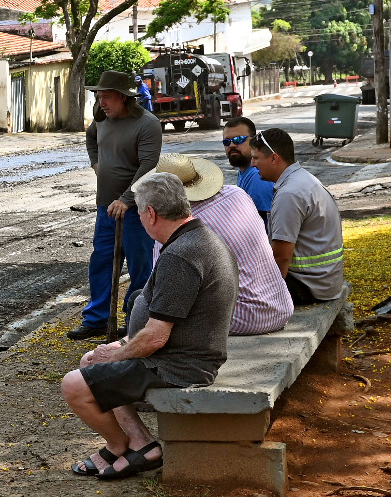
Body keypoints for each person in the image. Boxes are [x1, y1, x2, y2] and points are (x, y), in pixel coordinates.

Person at [63, 172, 237, 480]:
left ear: (152, 213)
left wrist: (118, 355)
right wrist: (122, 344)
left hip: (179, 365)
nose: (140, 219)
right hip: (178, 353)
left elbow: (156, 337)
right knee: (89, 361)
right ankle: (142, 444)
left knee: (74, 385)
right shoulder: (194, 238)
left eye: (140, 212)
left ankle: (118, 445)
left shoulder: (182, 255)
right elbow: (164, 316)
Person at [146, 154, 292, 335]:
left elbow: (160, 292)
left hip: (246, 317)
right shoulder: (236, 193)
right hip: (281, 305)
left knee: (142, 305)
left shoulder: (179, 225)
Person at [71, 70, 164, 340]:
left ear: (124, 98)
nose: (102, 103)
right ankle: (97, 319)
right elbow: (90, 139)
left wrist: (126, 200)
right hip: (105, 208)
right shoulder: (101, 120)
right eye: (99, 97)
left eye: (108, 97)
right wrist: (96, 164)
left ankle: (133, 319)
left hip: (138, 211)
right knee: (101, 262)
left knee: (139, 265)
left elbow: (148, 166)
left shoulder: (147, 124)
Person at [252, 127, 345, 305]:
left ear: (274, 158)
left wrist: (271, 300)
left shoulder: (289, 194)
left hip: (309, 287)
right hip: (325, 282)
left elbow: (281, 258)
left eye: (256, 158)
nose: (252, 164)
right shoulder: (302, 179)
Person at [221, 115, 274, 223]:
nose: (231, 145)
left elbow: (265, 226)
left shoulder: (258, 176)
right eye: (226, 141)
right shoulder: (245, 170)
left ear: (254, 140)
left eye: (238, 139)